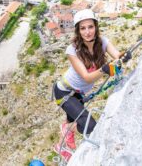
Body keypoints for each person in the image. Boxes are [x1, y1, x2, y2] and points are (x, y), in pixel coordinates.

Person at [53, 9, 131, 161]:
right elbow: (87, 78)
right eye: (83, 28)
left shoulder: (103, 42)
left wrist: (125, 56)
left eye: (90, 27)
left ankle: (62, 146)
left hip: (79, 95)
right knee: (91, 126)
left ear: (96, 26)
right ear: (78, 31)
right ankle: (68, 129)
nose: (87, 32)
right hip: (65, 92)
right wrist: (104, 69)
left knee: (82, 121)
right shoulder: (72, 50)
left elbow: (117, 56)